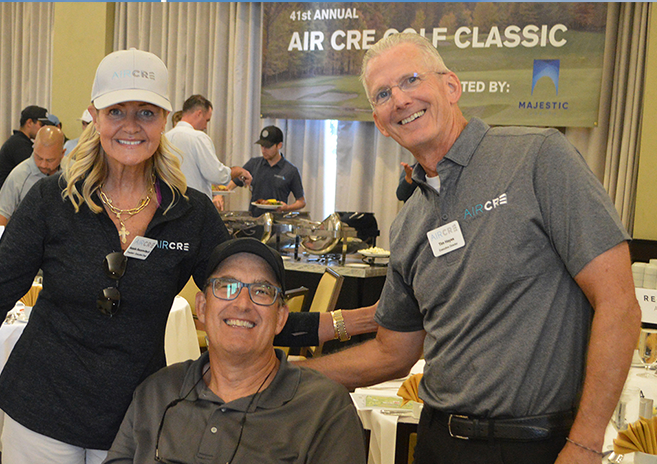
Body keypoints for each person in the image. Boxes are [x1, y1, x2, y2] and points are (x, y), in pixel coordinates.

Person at [0, 49, 375, 464]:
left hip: (136, 419)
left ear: (164, 119)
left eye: (146, 112)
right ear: (94, 115)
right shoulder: (51, 202)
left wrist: (365, 319)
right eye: (117, 111)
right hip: (41, 414)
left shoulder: (189, 215)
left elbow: (246, 310)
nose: (131, 126)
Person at [299, 33, 641, 464]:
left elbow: (618, 303)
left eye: (411, 80)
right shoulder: (408, 225)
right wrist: (290, 376)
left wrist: (586, 443)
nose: (400, 99)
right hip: (438, 442)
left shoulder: (537, 158)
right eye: (383, 94)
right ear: (380, 122)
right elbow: (393, 352)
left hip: (537, 446)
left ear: (451, 87)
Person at [106, 238, 366, 463]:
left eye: (261, 291)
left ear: (280, 317)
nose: (242, 304)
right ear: (202, 307)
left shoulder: (325, 409)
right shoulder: (156, 393)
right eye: (227, 286)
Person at [166, 95, 251, 210]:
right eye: (207, 120)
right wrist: (238, 170)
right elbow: (217, 175)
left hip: (168, 207)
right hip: (193, 208)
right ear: (199, 113)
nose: (205, 126)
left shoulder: (165, 138)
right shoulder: (198, 137)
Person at [0, 125, 65, 226]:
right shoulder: (19, 175)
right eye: (39, 158)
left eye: (50, 160)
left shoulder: (74, 172)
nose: (43, 165)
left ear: (62, 154)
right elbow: (0, 214)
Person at [230, 125, 305, 216]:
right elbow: (233, 183)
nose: (264, 150)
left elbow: (301, 202)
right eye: (262, 146)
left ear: (279, 145)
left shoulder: (291, 170)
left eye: (268, 147)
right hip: (254, 219)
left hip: (277, 220)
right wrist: (220, 195)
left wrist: (287, 208)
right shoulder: (253, 164)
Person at [0, 105, 48, 189]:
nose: (44, 129)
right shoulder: (19, 145)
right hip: (13, 195)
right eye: (41, 125)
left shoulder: (19, 142)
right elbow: (33, 172)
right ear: (29, 123)